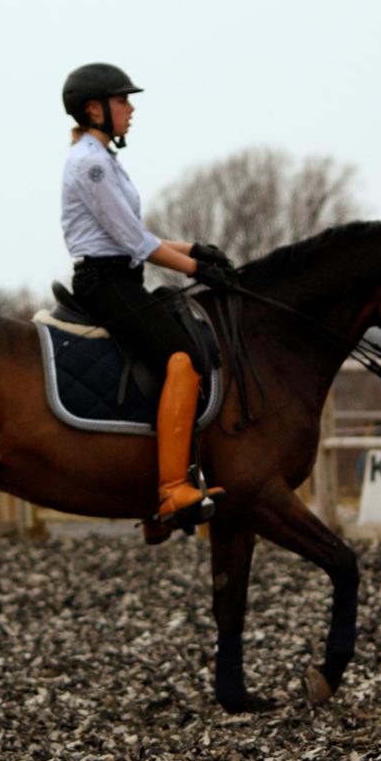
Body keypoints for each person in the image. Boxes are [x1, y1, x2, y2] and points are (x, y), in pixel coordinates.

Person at [60, 62, 237, 544]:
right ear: (95, 109)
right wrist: (198, 271)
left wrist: (195, 250)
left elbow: (136, 237)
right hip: (107, 283)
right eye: (123, 101)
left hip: (120, 276)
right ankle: (171, 491)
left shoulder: (101, 158)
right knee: (181, 360)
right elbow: (134, 244)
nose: (131, 109)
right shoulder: (92, 164)